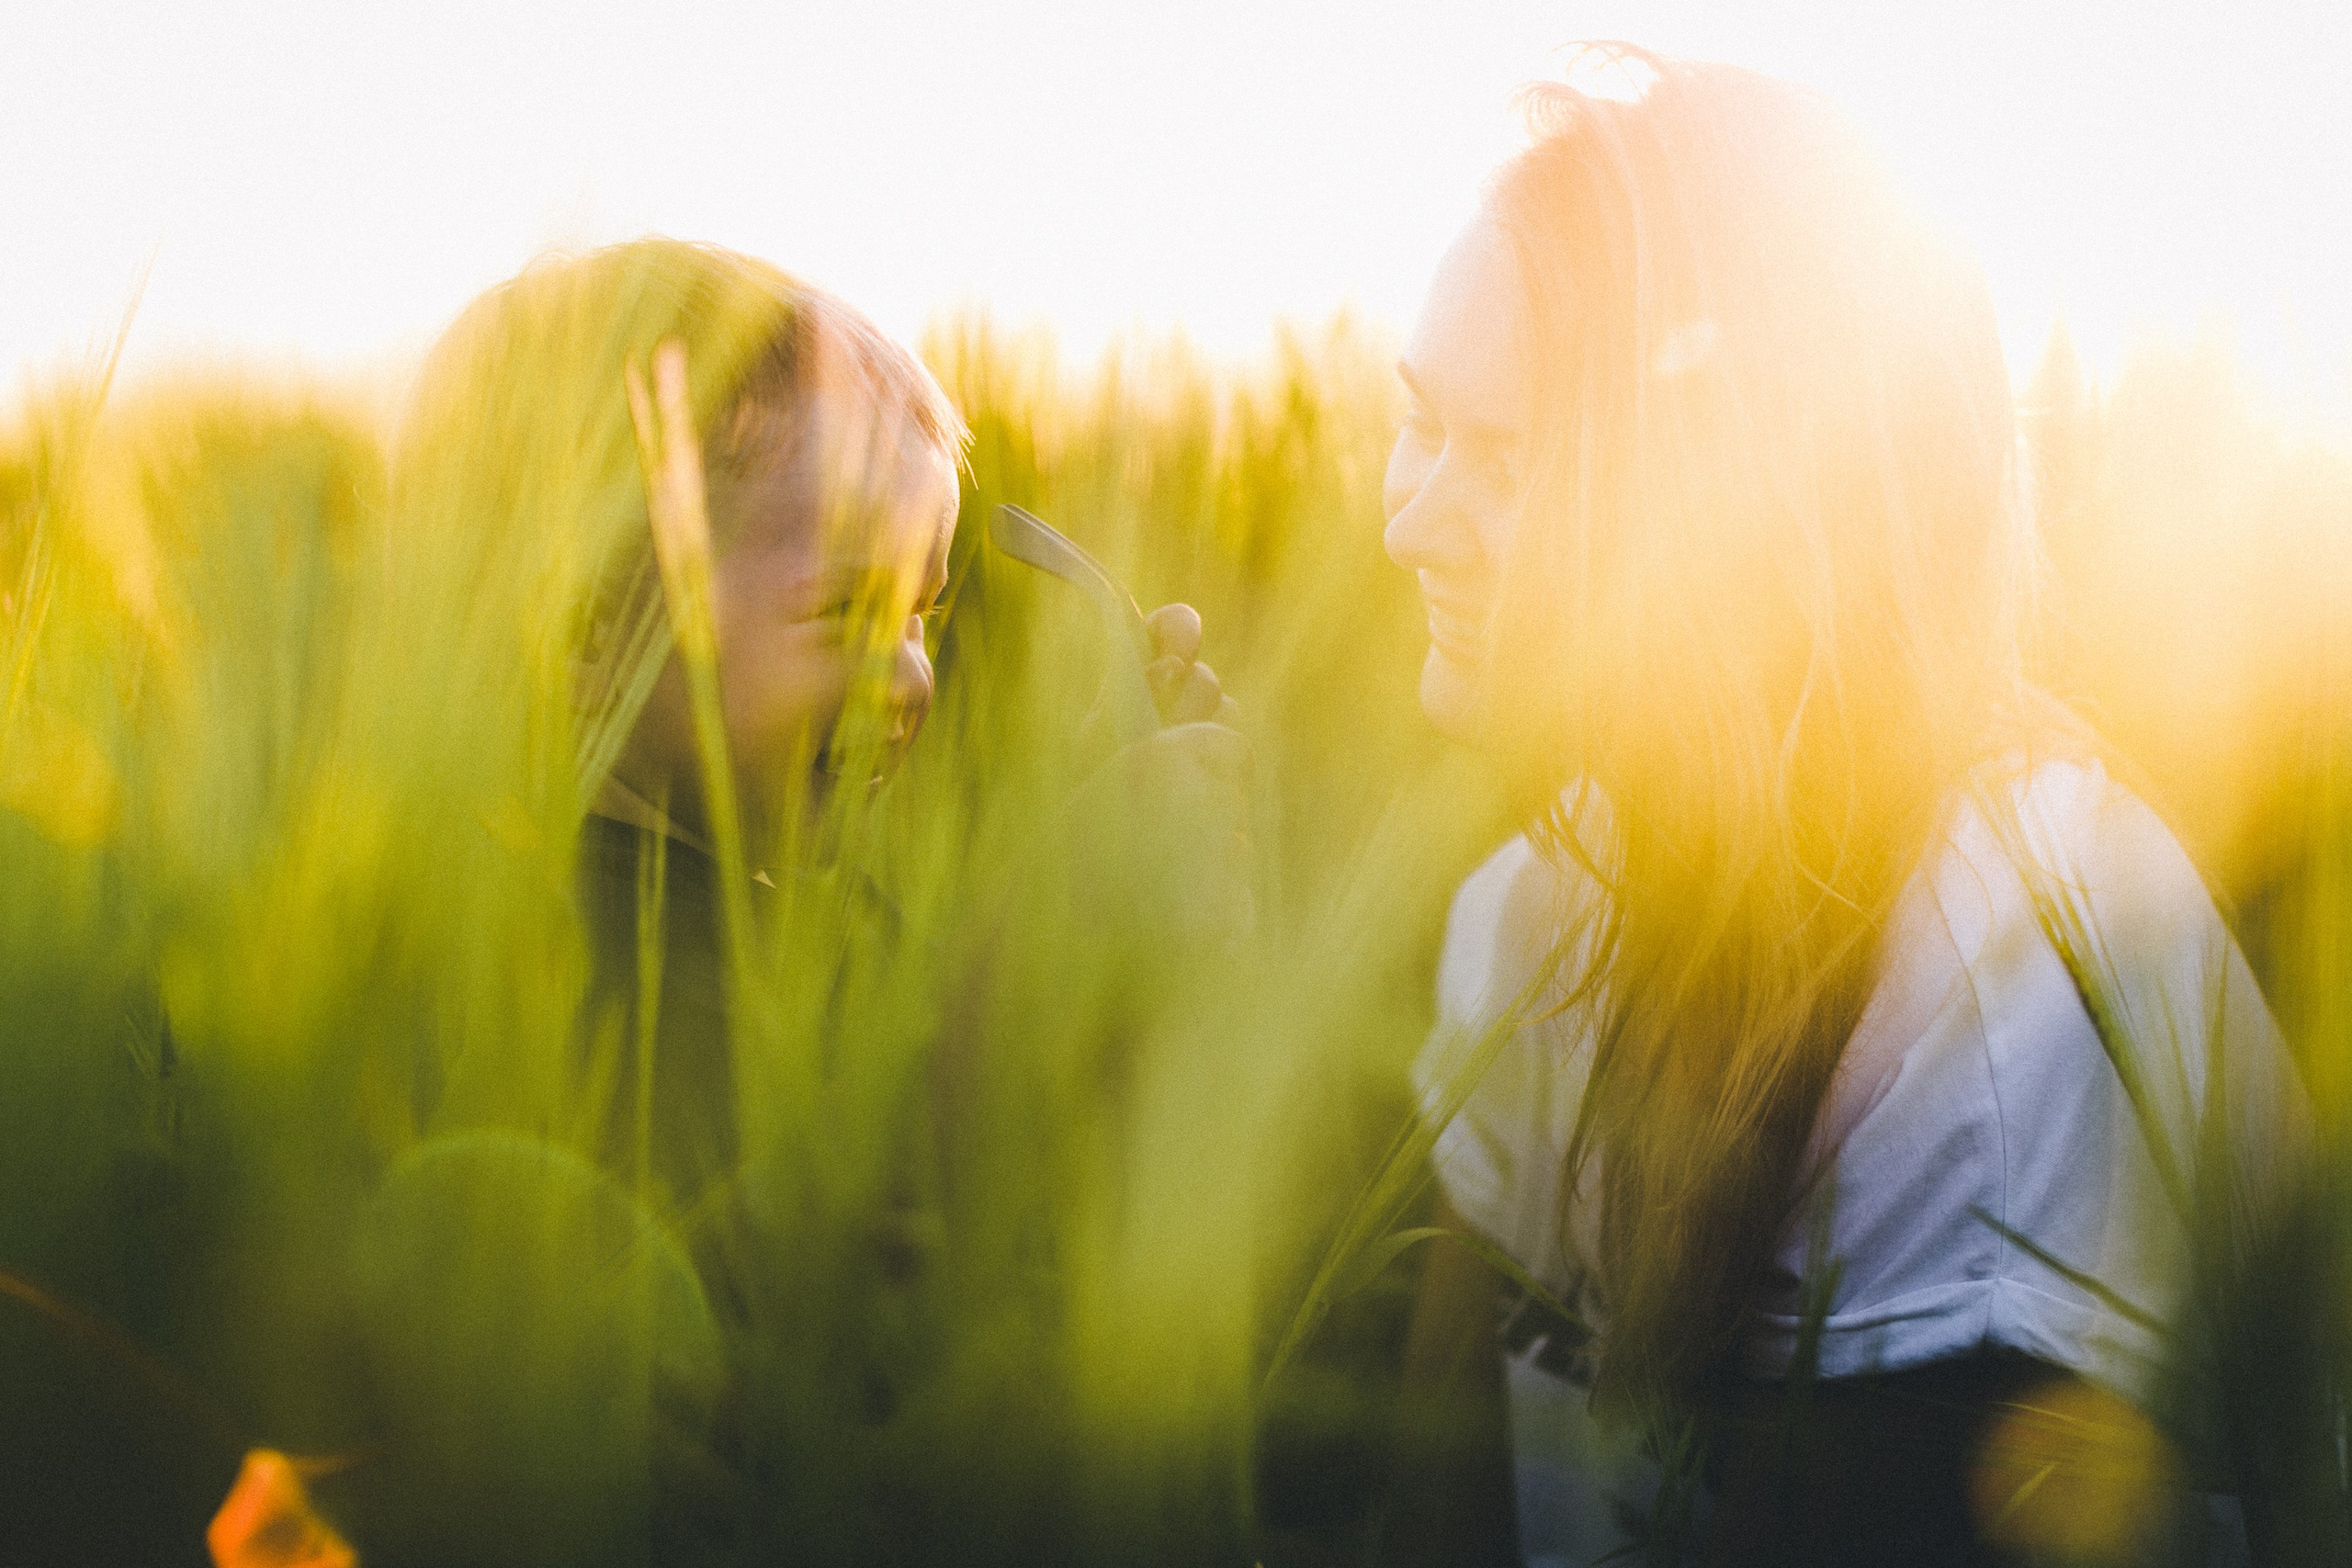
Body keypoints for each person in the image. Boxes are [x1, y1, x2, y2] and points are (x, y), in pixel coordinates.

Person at [1385, 51, 2306, 1567]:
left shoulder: (2021, 993)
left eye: (1508, 458)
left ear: (1739, 509)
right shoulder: (1529, 910)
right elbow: (1439, 1519)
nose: (1405, 518)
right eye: (1419, 424)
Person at [195, 240, 1248, 1564]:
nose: (912, 676)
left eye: (924, 611)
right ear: (587, 633)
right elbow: (858, 1304)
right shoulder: (564, 983)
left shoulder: (766, 905)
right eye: (847, 611)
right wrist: (1051, 972)